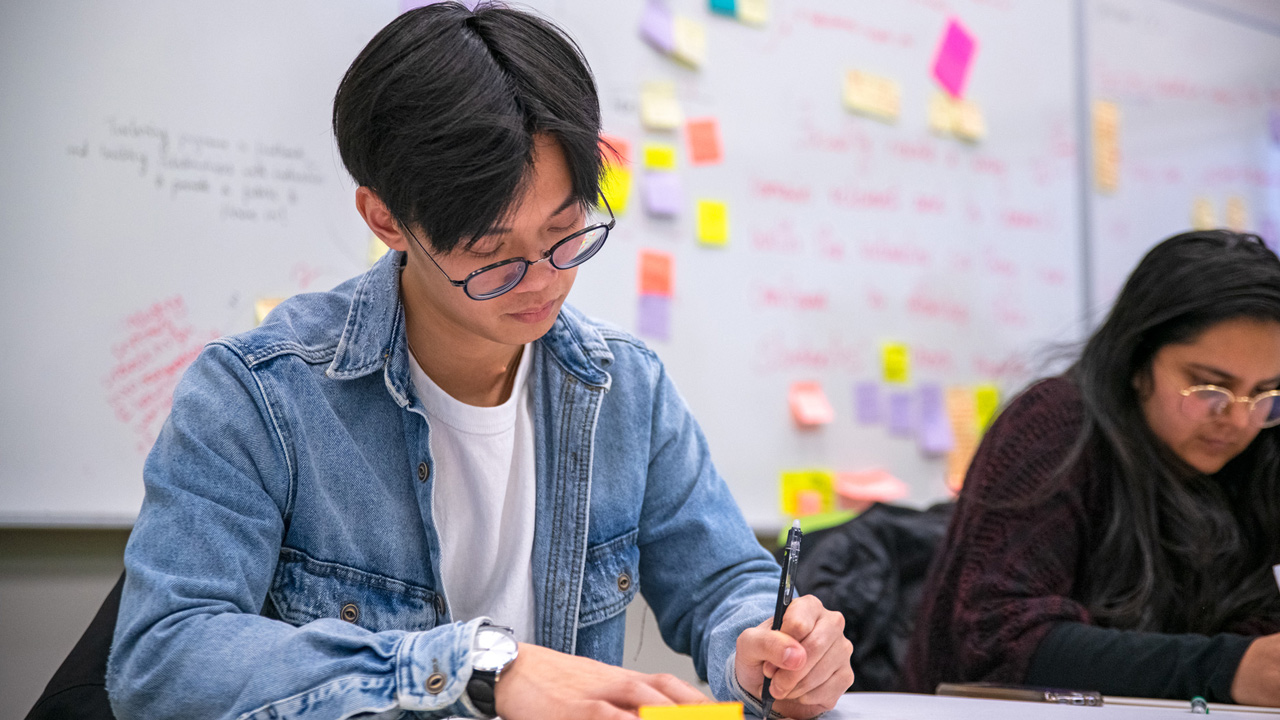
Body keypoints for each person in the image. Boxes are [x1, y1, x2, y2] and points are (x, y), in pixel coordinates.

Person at [105, 4, 853, 719]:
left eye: (565, 234)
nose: (542, 281)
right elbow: (163, 658)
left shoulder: (625, 390)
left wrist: (768, 650)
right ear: (385, 219)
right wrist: (479, 670)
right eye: (492, 255)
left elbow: (724, 583)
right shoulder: (260, 397)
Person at [901, 229, 1280, 704]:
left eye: (1265, 392)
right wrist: (1229, 668)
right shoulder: (1057, 429)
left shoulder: (1264, 451)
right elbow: (999, 641)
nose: (1240, 418)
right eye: (1208, 387)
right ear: (1138, 361)